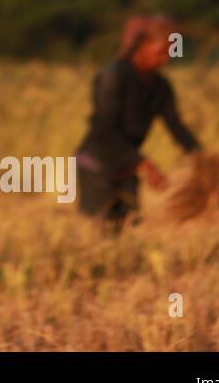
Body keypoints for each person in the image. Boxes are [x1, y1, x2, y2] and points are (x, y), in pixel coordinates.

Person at [74, 14, 201, 228]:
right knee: (99, 230)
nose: (165, 59)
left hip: (127, 168)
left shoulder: (161, 86)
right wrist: (143, 163)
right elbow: (105, 129)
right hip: (96, 165)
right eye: (161, 52)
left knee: (128, 229)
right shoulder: (113, 77)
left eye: (169, 53)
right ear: (143, 45)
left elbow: (176, 126)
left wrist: (201, 157)